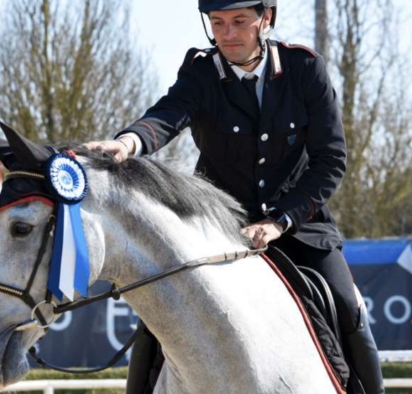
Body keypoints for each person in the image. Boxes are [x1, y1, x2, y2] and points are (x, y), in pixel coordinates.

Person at [84, 1, 383, 393]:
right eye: (218, 23)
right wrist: (128, 143)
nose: (227, 34)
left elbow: (331, 161)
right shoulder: (200, 71)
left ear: (266, 19)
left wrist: (279, 221)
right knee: (158, 315)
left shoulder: (305, 68)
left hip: (299, 227)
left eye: (239, 21)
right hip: (218, 230)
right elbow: (167, 115)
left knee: (348, 304)